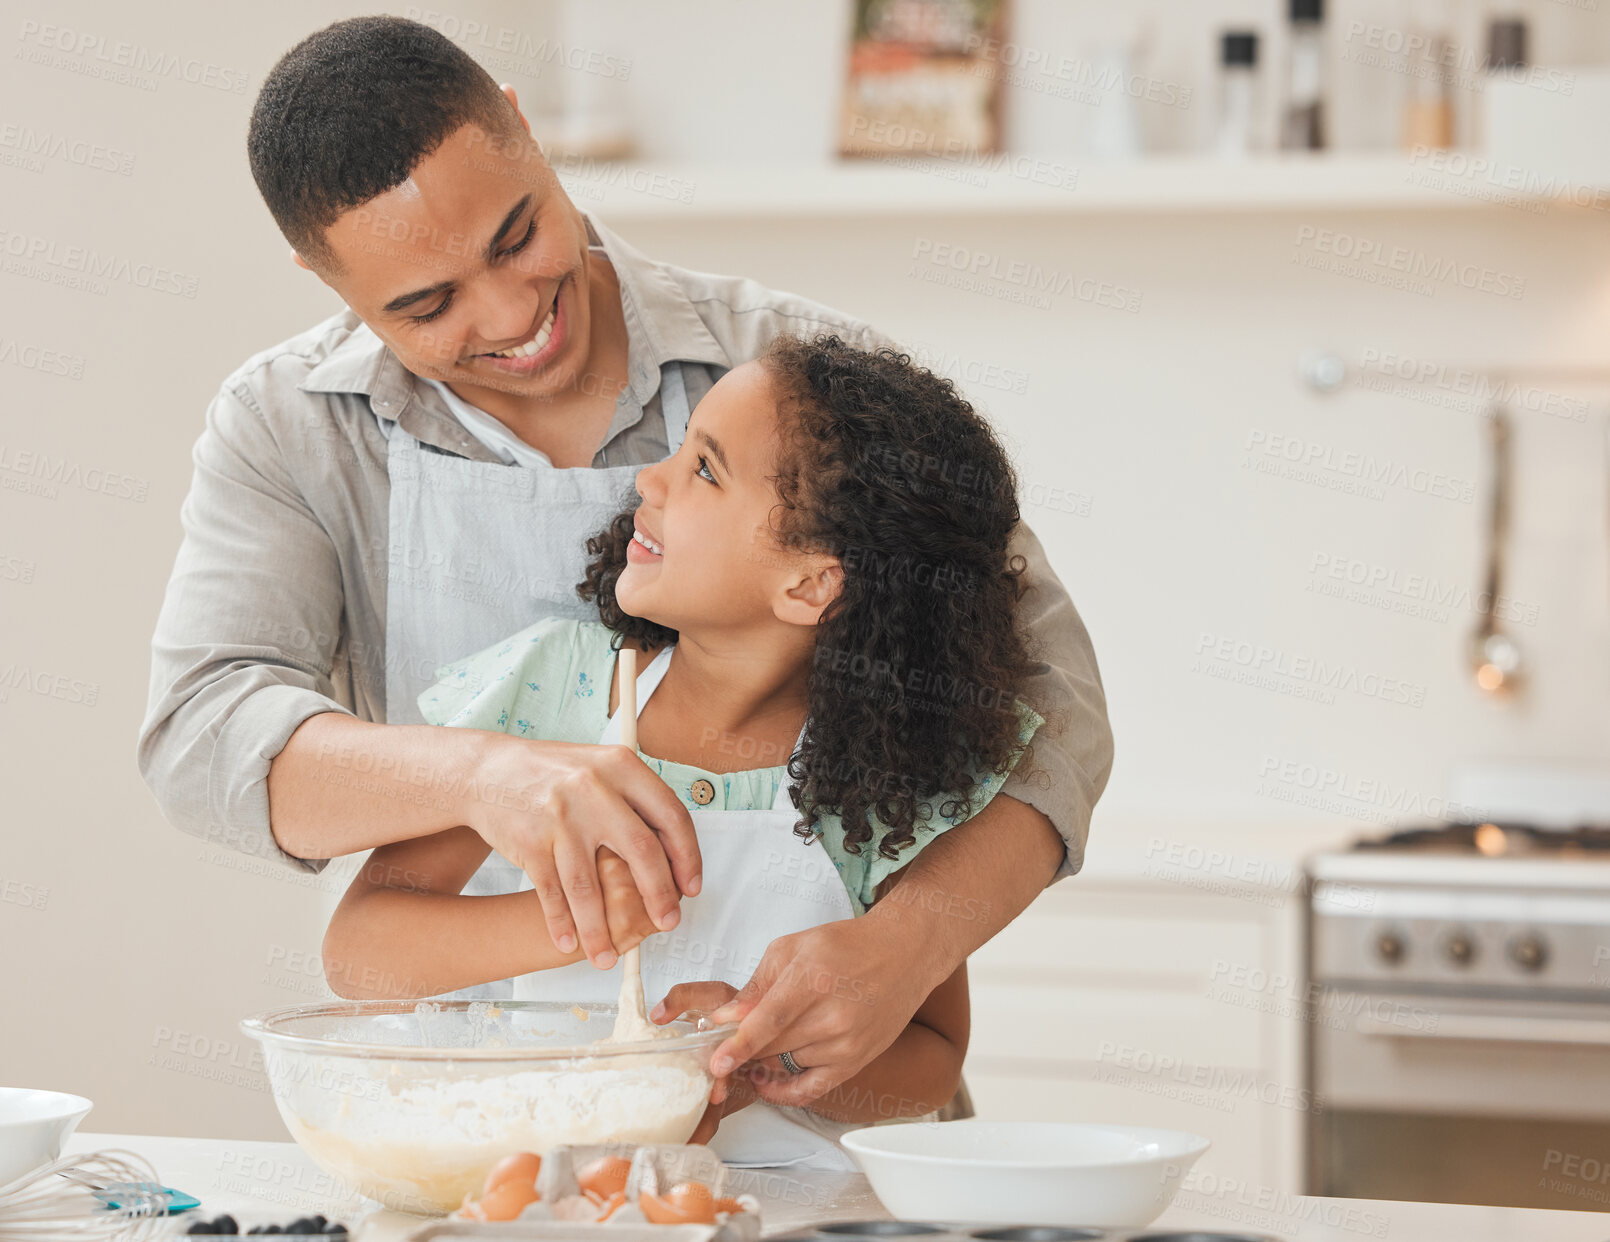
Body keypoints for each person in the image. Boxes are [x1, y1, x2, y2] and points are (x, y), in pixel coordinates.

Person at [136, 15, 1113, 1118]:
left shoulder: (794, 378)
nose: (512, 317)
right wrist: (490, 774)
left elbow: (1048, 702)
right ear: (322, 276)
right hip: (498, 1129)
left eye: (515, 237)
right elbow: (203, 733)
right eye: (426, 304)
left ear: (521, 125)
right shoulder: (288, 428)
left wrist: (902, 946)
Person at [323, 334, 1042, 1167]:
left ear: (810, 584)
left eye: (704, 470)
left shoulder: (886, 776)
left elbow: (931, 1060)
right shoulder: (553, 695)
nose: (649, 480)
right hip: (560, 1208)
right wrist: (579, 926)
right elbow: (361, 952)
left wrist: (759, 1052)